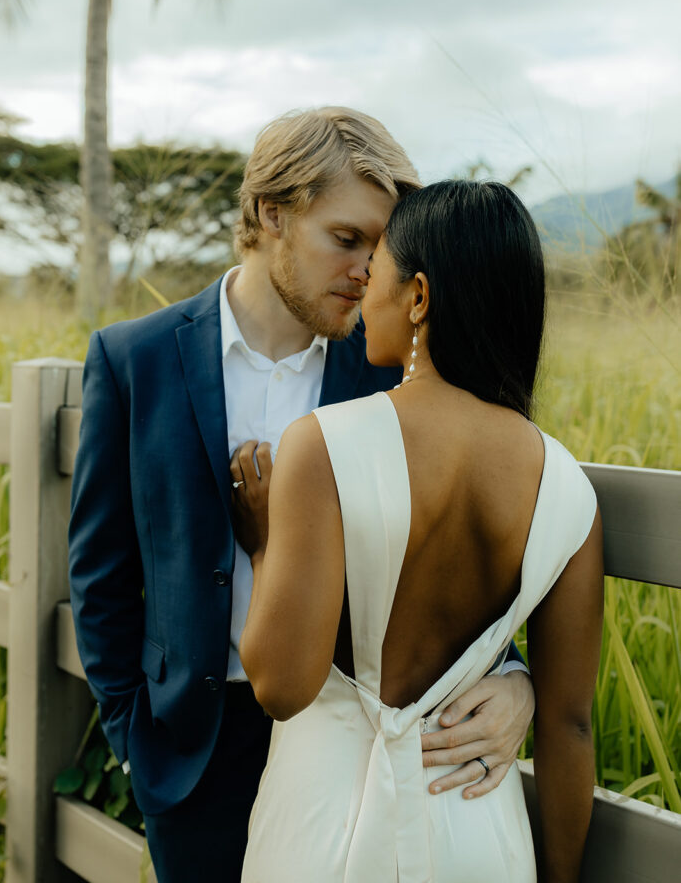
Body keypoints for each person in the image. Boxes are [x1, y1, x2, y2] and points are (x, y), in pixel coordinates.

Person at [68, 111, 535, 883]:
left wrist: (511, 677)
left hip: (351, 745)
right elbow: (100, 574)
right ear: (270, 214)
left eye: (379, 249)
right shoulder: (134, 359)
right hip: (191, 755)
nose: (365, 270)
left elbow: (453, 544)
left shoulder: (394, 369)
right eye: (345, 239)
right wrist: (133, 742)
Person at [235, 179, 604, 883]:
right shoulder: (564, 486)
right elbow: (568, 726)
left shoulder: (322, 444)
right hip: (475, 826)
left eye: (375, 273)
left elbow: (281, 685)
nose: (361, 294)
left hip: (322, 825)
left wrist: (263, 539)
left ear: (419, 298)